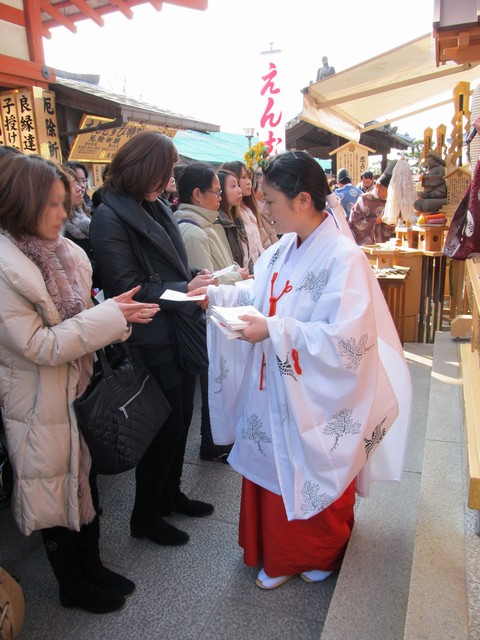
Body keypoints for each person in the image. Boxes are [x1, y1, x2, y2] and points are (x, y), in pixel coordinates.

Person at [191, 150, 411, 590]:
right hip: (279, 383)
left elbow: (348, 340)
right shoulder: (284, 249)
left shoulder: (345, 258)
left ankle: (318, 553)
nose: (265, 210)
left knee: (314, 465)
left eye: (270, 201)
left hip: (315, 394)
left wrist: (275, 330)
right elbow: (264, 292)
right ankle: (279, 553)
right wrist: (217, 294)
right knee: (274, 467)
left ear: (304, 199)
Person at [0, 153, 160, 613]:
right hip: (36, 398)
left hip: (81, 387)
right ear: (22, 203)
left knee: (84, 480)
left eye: (65, 202)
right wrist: (111, 316)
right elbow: (39, 346)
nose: (64, 214)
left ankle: (92, 567)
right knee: (54, 489)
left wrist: (117, 315)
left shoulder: (69, 252)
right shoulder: (7, 266)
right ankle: (72, 585)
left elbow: (85, 318)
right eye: (52, 204)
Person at [89, 131, 216, 548]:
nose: (168, 182)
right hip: (149, 336)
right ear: (143, 168)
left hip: (173, 328)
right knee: (162, 426)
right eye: (164, 172)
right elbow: (127, 287)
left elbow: (165, 271)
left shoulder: (154, 205)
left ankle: (170, 495)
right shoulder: (109, 215)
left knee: (180, 421)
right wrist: (186, 289)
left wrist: (189, 282)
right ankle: (144, 515)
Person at [174, 162, 249, 463]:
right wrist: (238, 277)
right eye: (215, 192)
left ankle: (220, 440)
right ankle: (213, 444)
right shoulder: (192, 231)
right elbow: (206, 284)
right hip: (208, 319)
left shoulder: (209, 224)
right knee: (213, 385)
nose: (219, 197)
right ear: (197, 194)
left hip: (221, 314)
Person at [220, 161, 270, 270]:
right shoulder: (230, 215)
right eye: (243, 177)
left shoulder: (249, 210)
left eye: (249, 177)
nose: (249, 182)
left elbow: (264, 241)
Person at [62, 165, 101, 290]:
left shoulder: (84, 214)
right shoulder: (59, 230)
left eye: (82, 181)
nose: (80, 188)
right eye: (72, 185)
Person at [349, 171, 395, 245]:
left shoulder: (390, 201)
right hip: (367, 247)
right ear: (377, 186)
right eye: (385, 191)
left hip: (387, 245)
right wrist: (374, 221)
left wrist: (393, 227)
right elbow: (354, 221)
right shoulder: (363, 200)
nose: (387, 195)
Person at [217, 169, 249, 269]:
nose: (240, 190)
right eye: (233, 186)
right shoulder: (218, 222)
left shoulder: (237, 218)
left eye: (238, 185)